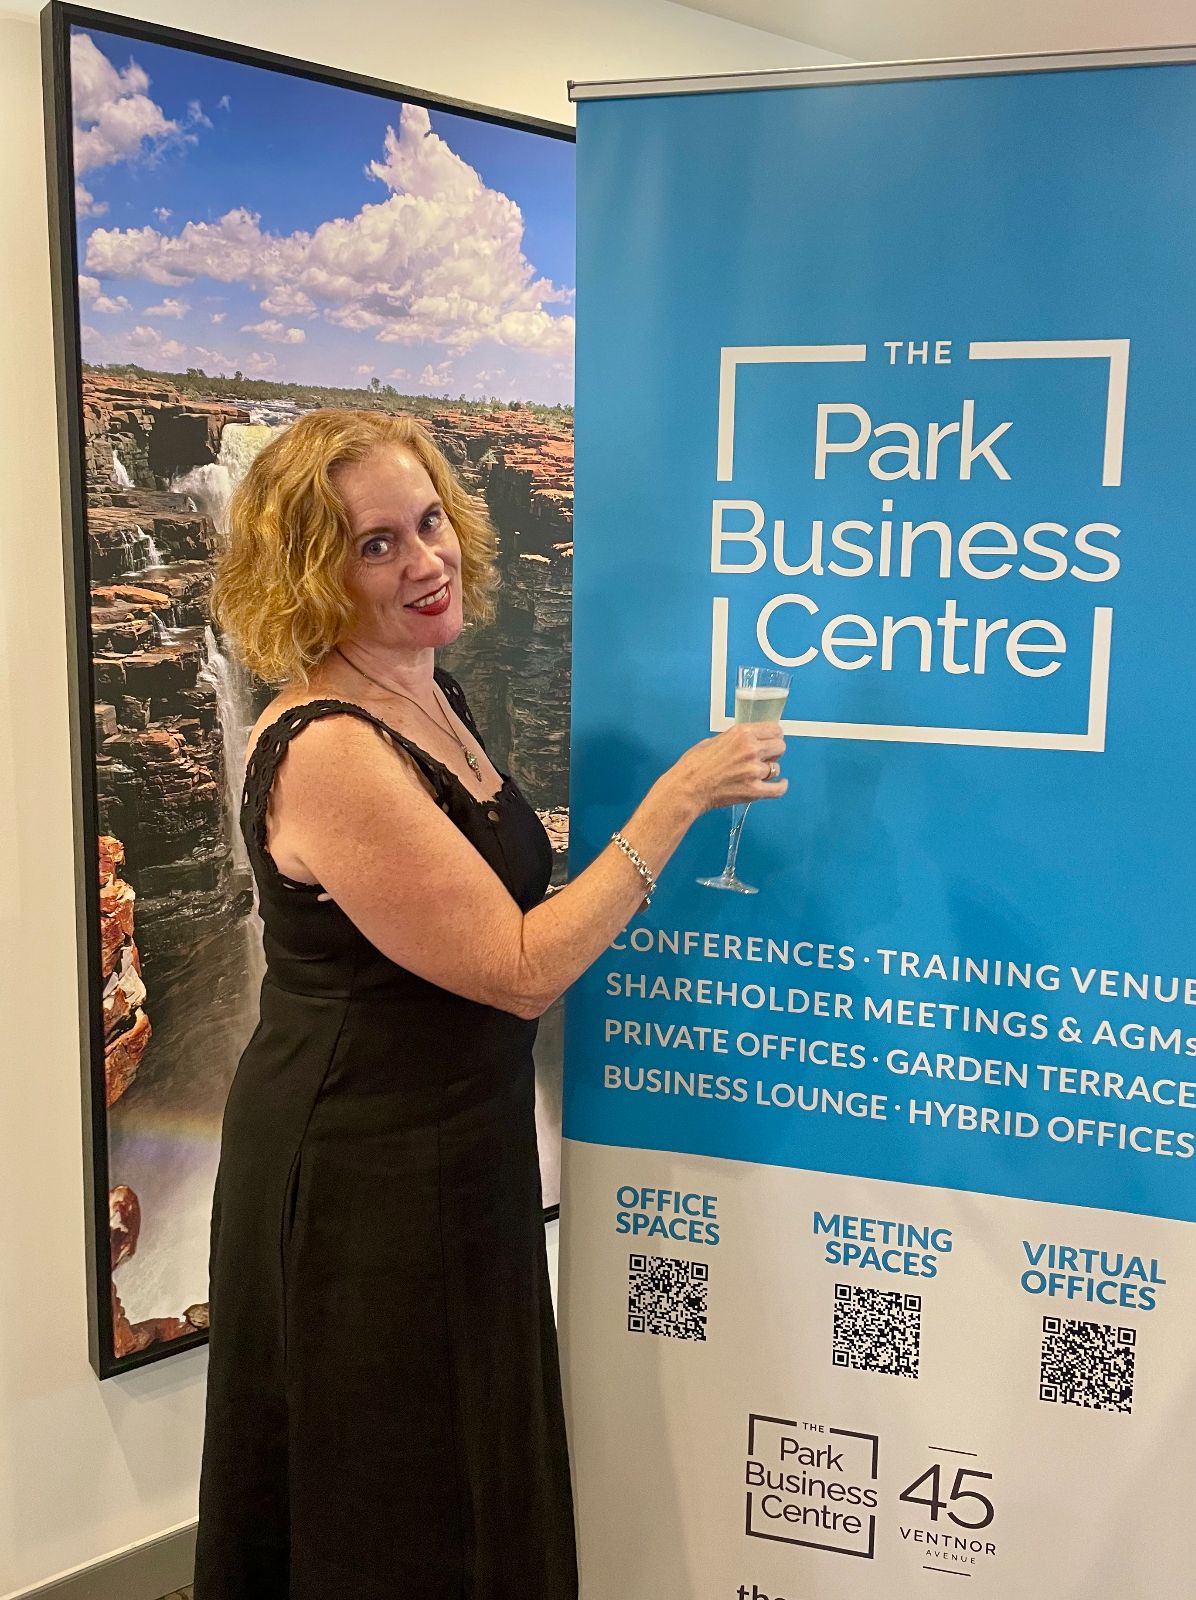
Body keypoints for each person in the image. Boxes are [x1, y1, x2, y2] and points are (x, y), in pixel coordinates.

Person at [193, 408, 787, 1599]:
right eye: (375, 544)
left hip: (458, 1139)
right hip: (360, 1167)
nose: (427, 559)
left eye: (429, 521)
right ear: (310, 573)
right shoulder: (327, 749)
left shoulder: (432, 693)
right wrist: (676, 800)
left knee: (471, 1459)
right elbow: (518, 967)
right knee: (392, 1489)